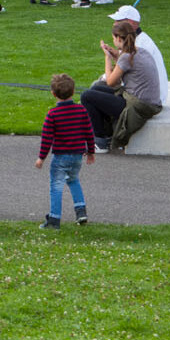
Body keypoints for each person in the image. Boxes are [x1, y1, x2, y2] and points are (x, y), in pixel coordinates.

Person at [79, 21, 163, 152]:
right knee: (96, 89)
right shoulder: (141, 51)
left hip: (138, 106)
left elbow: (110, 82)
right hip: (149, 102)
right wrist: (114, 53)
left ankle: (100, 142)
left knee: (87, 96)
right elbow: (125, 60)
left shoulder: (126, 57)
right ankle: (104, 134)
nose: (113, 41)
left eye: (113, 39)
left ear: (119, 38)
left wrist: (107, 59)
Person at [36, 73, 95, 229]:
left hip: (60, 157)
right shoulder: (81, 111)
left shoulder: (53, 114)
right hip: (77, 156)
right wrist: (91, 151)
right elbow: (89, 131)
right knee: (74, 180)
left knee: (56, 186)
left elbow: (47, 139)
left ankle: (54, 219)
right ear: (74, 91)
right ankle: (81, 211)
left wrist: (41, 158)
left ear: (53, 94)